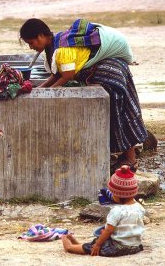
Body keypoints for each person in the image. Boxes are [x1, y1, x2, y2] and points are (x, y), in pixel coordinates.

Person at [19, 18, 148, 173]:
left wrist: (48, 91)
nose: (31, 47)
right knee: (114, 116)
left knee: (118, 115)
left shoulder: (62, 48)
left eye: (31, 42)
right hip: (105, 73)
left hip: (110, 74)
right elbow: (56, 74)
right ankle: (123, 156)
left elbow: (67, 76)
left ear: (41, 36)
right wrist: (38, 89)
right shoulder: (54, 46)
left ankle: (130, 158)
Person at [61, 165, 145, 257]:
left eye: (112, 193)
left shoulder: (117, 210)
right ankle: (79, 244)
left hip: (117, 247)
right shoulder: (139, 207)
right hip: (135, 246)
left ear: (118, 194)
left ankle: (67, 242)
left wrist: (97, 245)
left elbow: (108, 231)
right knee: (99, 241)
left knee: (95, 245)